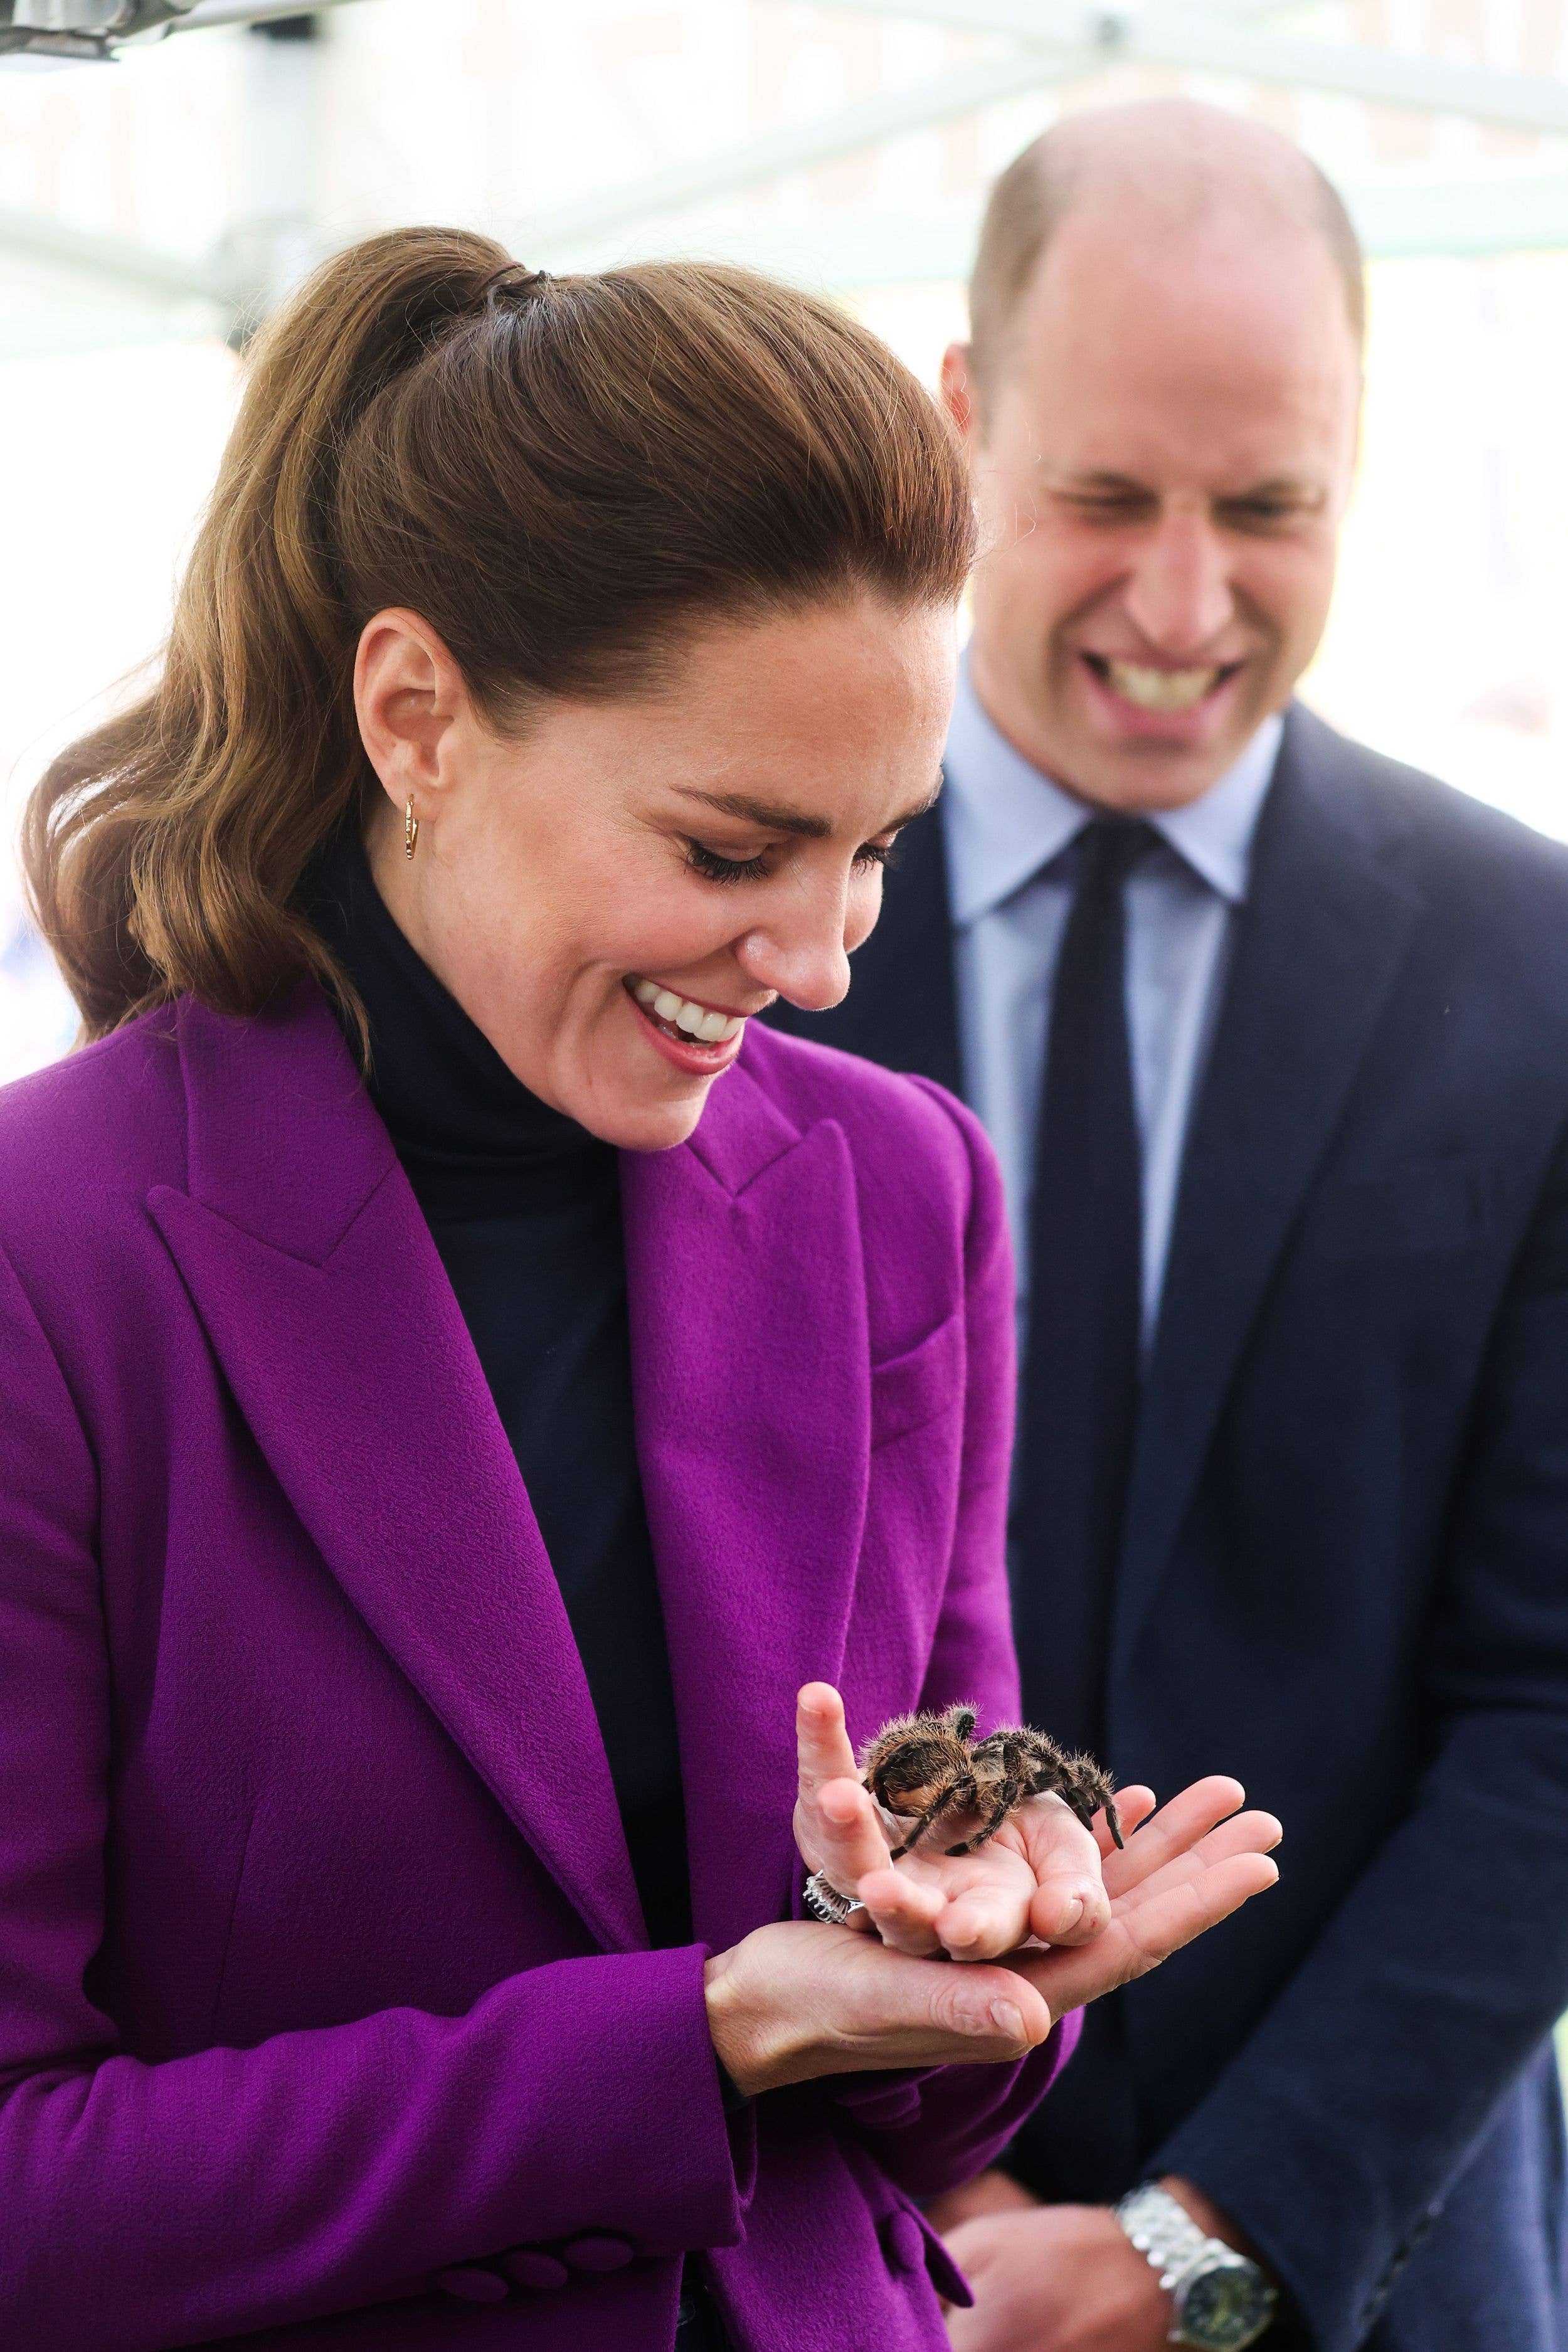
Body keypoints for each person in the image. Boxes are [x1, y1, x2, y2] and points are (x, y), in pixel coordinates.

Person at [0, 230, 1278, 2351]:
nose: (824, 958)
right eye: (727, 850)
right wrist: (692, 2041)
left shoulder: (897, 1190)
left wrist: (969, 1961)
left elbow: (925, 2100)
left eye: (874, 848)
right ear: (414, 715)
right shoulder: (55, 1255)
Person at [766, 100, 1568, 2352]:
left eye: (1267, 509)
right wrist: (927, 2152)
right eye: (1107, 498)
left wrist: (1205, 2235)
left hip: (1365, 2258)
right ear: (959, 427)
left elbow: (1550, 1703)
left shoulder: (1535, 964)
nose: (1183, 601)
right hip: (806, 2222)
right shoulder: (726, 927)